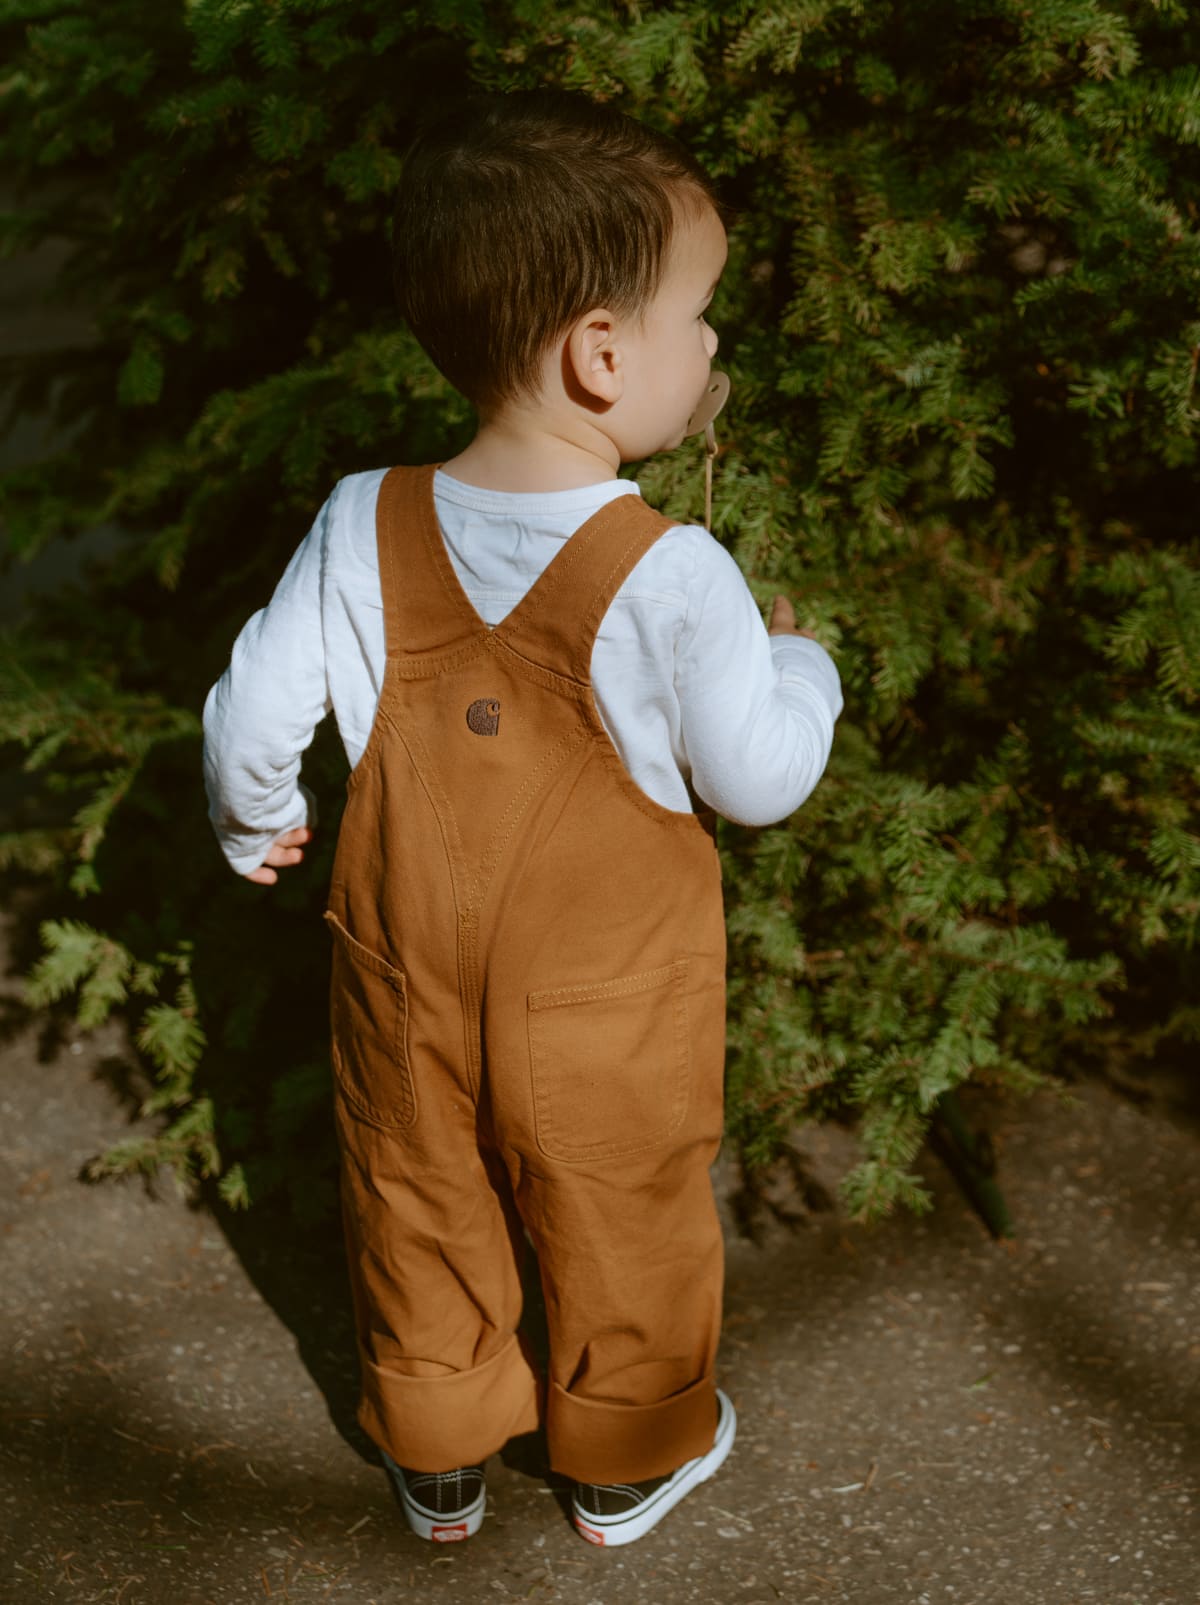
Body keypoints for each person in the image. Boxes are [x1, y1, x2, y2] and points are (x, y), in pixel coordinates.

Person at [202, 87, 844, 1549]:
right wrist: (804, 669)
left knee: (413, 1177)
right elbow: (761, 776)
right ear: (602, 355)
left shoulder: (362, 517)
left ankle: (436, 1445)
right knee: (621, 1196)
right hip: (607, 992)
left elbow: (250, 714)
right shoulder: (678, 574)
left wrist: (256, 826)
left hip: (402, 957)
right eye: (701, 317)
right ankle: (625, 1457)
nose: (715, 347)